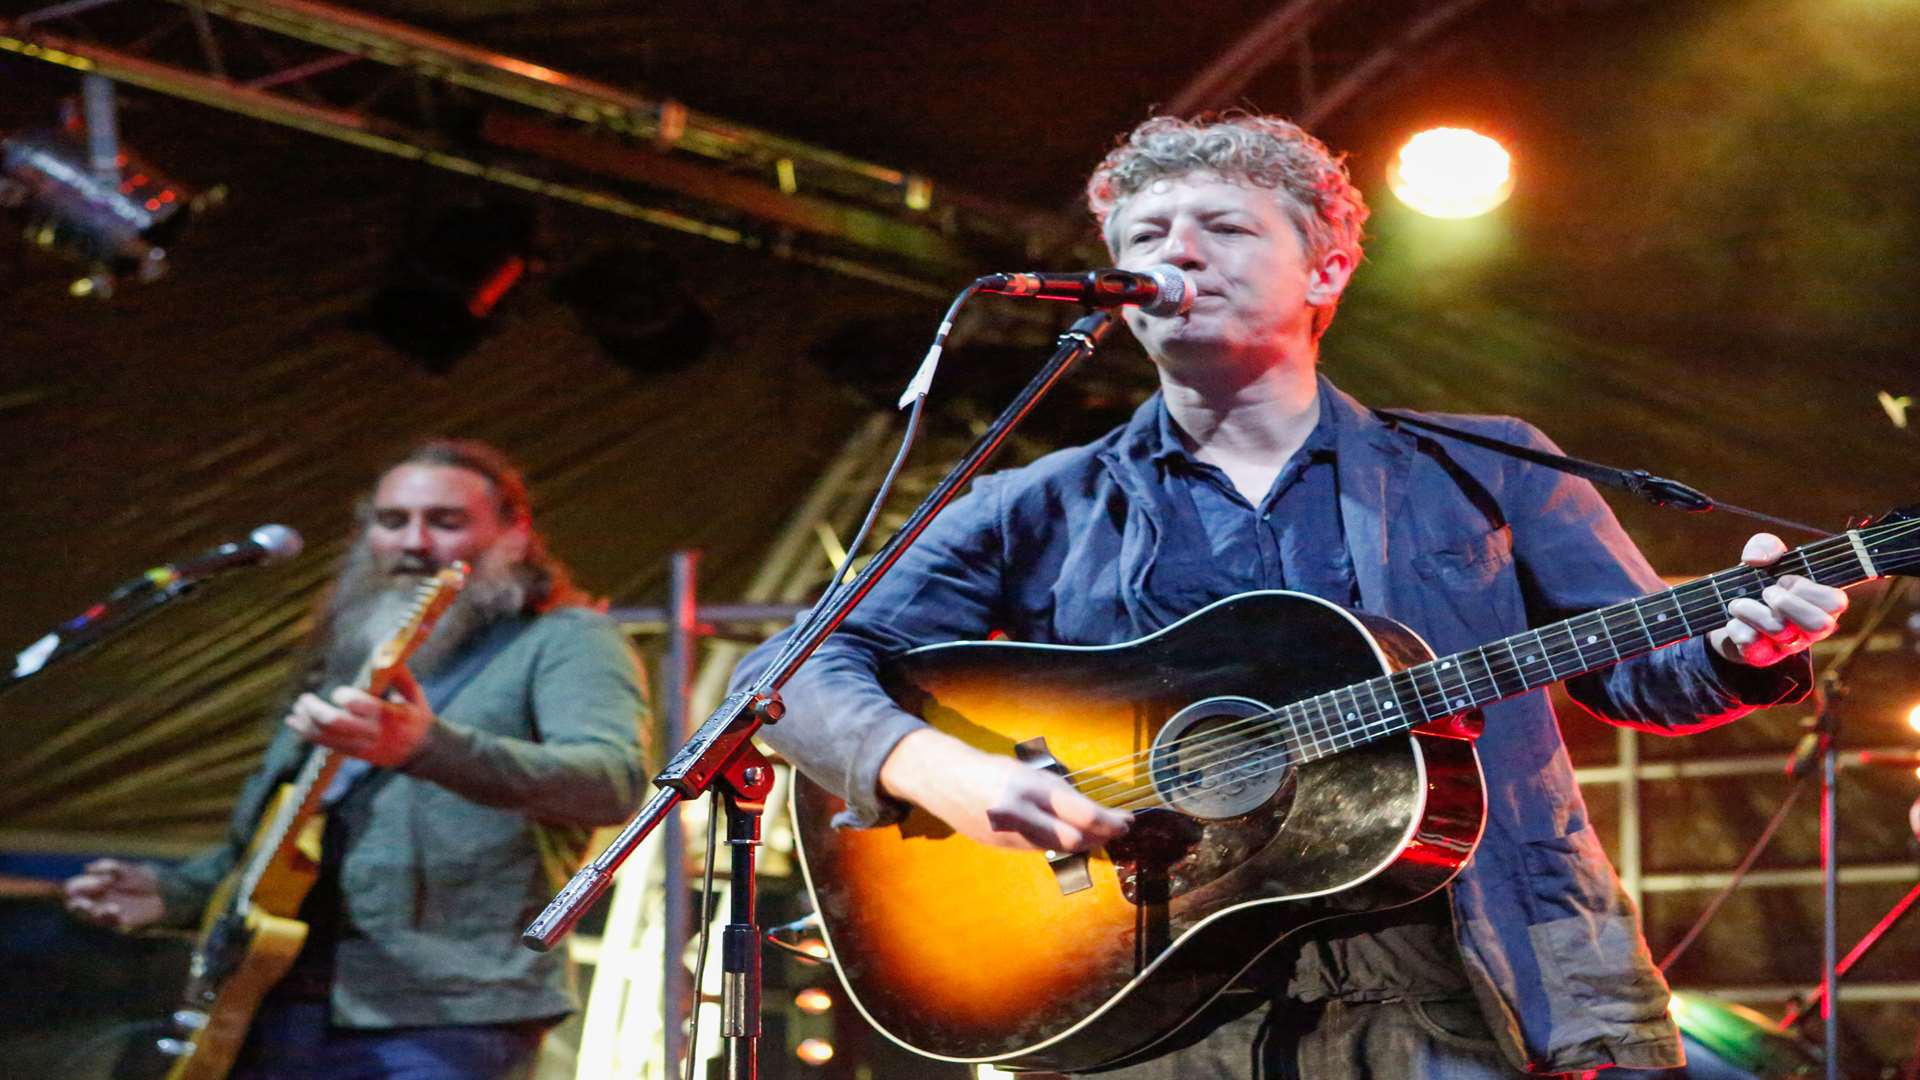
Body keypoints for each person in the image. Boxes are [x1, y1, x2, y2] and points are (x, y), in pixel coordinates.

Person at [730, 114, 1849, 1078]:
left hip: (1477, 972)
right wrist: (939, 769)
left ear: (1324, 270)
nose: (1176, 254)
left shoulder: (1491, 467)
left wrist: (1743, 652)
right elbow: (783, 675)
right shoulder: (1043, 502)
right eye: (1142, 239)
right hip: (1160, 994)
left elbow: (1649, 679)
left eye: (1222, 227)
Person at [63, 439, 649, 1080]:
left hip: (447, 1019)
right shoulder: (344, 655)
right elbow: (276, 841)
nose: (414, 542)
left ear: (514, 532)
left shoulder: (566, 639)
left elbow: (611, 782)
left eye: (445, 522)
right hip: (273, 1006)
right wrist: (176, 893)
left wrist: (427, 746)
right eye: (392, 520)